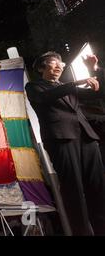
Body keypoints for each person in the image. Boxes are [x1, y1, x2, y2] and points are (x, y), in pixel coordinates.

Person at [26, 51, 105, 235]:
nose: (59, 67)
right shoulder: (34, 87)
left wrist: (93, 69)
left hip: (87, 139)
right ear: (41, 68)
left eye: (61, 65)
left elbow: (98, 91)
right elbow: (46, 97)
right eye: (53, 64)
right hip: (61, 140)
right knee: (73, 190)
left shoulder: (68, 87)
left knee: (98, 187)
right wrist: (74, 84)